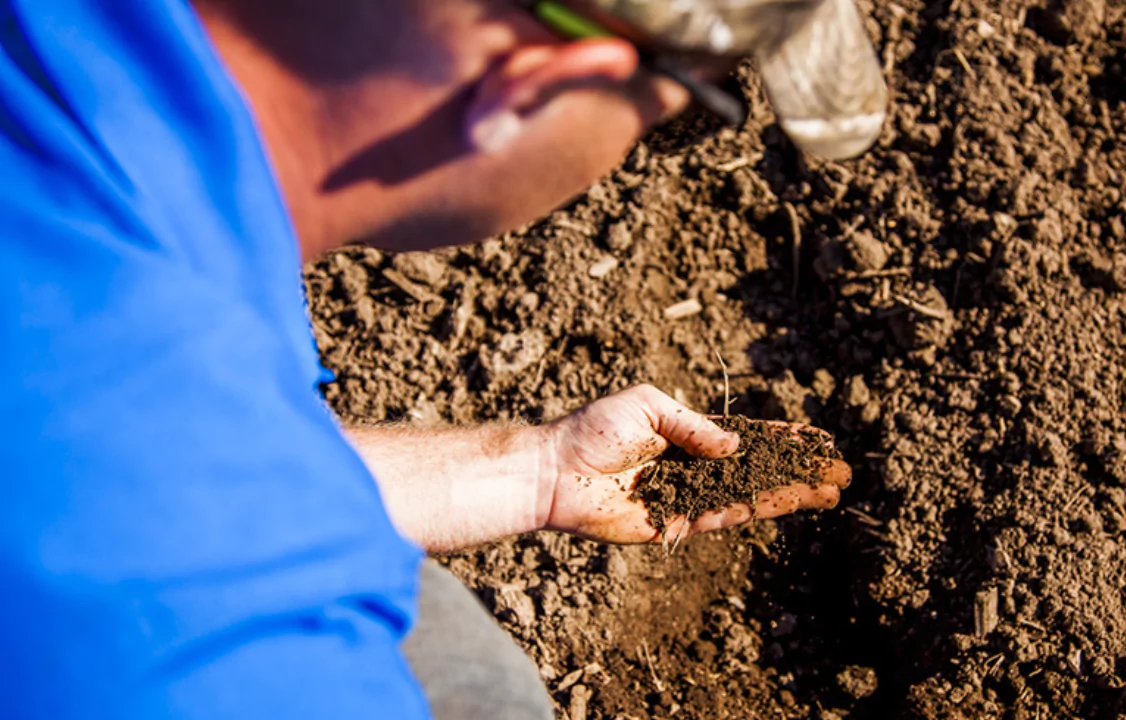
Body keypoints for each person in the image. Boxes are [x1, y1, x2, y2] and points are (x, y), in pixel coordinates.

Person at [0, 1, 852, 718]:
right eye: (675, 114)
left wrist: (538, 468)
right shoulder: (222, 632)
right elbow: (168, 504)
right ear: (539, 87)